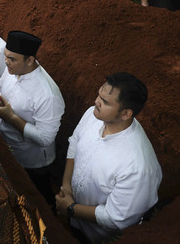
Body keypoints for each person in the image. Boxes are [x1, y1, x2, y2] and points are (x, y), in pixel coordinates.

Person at [55, 72, 162, 243]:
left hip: (98, 236)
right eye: (99, 95)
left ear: (126, 114)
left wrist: (70, 208)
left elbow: (115, 217)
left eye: (105, 102)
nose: (96, 102)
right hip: (71, 212)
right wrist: (67, 184)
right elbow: (75, 142)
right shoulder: (94, 115)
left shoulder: (137, 167)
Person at [0, 31, 65, 206]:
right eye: (5, 56)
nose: (6, 62)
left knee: (40, 196)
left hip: (33, 160)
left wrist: (10, 117)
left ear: (30, 60)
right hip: (9, 147)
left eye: (12, 59)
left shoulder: (47, 95)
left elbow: (45, 138)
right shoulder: (12, 69)